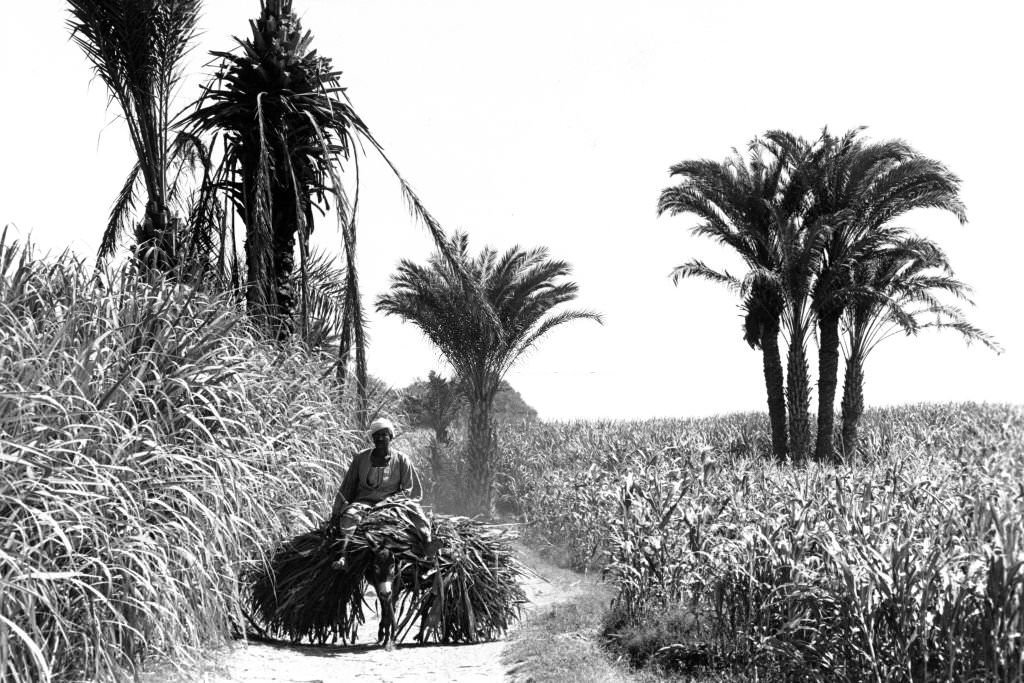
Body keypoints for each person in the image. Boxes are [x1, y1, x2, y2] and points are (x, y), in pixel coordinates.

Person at [327, 417, 435, 570]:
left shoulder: (402, 460)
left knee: (415, 509)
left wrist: (389, 501)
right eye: (376, 435)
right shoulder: (361, 458)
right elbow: (347, 487)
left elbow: (410, 490)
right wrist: (336, 512)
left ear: (391, 436)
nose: (380, 438)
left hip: (393, 502)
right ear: (372, 439)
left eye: (384, 434)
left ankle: (427, 542)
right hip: (365, 502)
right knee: (350, 515)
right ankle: (343, 556)